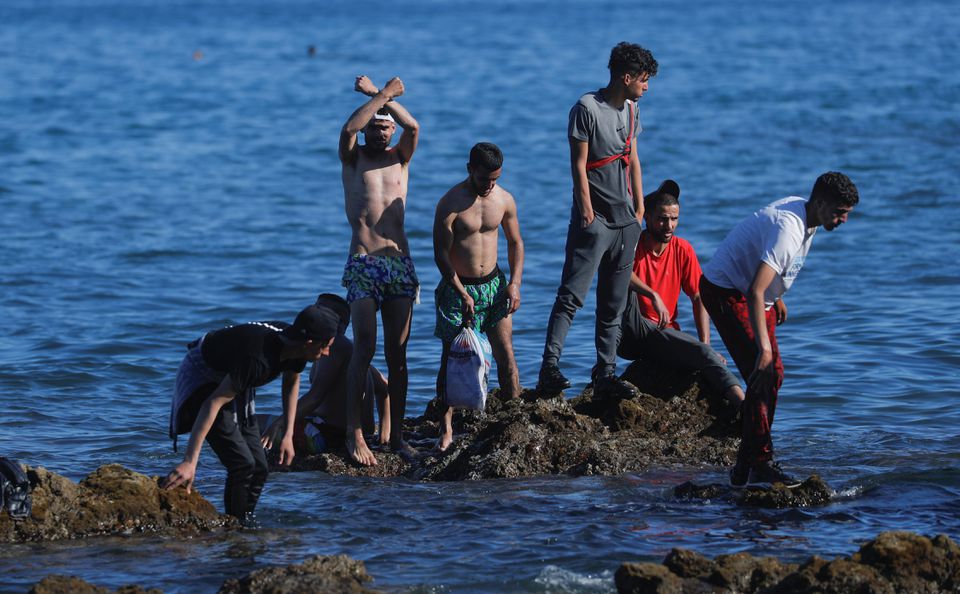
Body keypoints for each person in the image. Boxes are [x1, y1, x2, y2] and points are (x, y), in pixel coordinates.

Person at [700, 172, 859, 488]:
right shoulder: (790, 228)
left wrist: (779, 296)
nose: (842, 221)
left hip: (757, 295)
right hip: (726, 291)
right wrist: (765, 347)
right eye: (839, 212)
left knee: (773, 376)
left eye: (847, 214)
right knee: (765, 373)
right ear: (821, 202)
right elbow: (754, 291)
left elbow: (769, 276)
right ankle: (759, 462)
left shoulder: (807, 215)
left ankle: (747, 466)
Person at [537, 41, 658, 398]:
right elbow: (578, 164)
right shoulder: (586, 108)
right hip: (595, 220)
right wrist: (586, 211)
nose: (647, 86)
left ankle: (605, 373)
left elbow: (633, 159)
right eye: (644, 79)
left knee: (613, 303)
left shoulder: (632, 111)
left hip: (626, 221)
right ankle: (550, 368)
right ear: (626, 76)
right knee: (571, 296)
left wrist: (638, 209)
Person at [163, 304, 340, 523]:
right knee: (242, 464)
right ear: (310, 342)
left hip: (234, 377)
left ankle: (245, 522)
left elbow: (292, 381)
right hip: (204, 376)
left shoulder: (297, 348)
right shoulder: (258, 360)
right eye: (326, 346)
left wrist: (287, 435)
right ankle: (234, 527)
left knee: (260, 466)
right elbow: (213, 403)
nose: (328, 352)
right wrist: (190, 462)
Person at [339, 75, 420, 466]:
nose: (378, 132)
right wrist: (383, 95)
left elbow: (414, 126)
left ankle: (398, 437)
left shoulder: (401, 158)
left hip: (399, 264)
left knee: (398, 354)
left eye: (384, 126)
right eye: (375, 126)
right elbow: (349, 128)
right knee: (364, 349)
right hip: (363, 263)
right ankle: (356, 433)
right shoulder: (353, 158)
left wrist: (378, 94)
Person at [618, 180, 745, 409]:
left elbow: (698, 297)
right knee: (621, 288)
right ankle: (747, 407)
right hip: (632, 332)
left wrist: (705, 344)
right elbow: (619, 273)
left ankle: (744, 407)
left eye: (674, 219)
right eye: (662, 219)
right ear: (647, 218)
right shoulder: (634, 244)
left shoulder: (683, 249)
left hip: (662, 333)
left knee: (704, 355)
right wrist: (652, 294)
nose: (669, 226)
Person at [433, 142, 524, 451]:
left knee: (506, 353)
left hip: (494, 286)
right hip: (458, 288)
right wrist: (460, 291)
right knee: (452, 359)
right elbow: (441, 256)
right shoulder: (450, 204)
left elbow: (515, 243)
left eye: (495, 178)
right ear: (470, 169)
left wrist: (514, 283)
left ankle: (515, 420)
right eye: (484, 178)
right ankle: (446, 429)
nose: (489, 185)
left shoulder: (504, 200)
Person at [258, 294, 389, 455]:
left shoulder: (336, 346)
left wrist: (279, 423)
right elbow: (384, 388)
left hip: (327, 437)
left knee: (250, 422)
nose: (314, 311)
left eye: (320, 309)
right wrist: (383, 435)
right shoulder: (354, 353)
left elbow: (315, 396)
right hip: (352, 435)